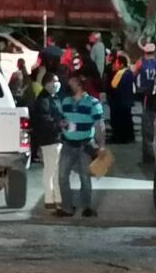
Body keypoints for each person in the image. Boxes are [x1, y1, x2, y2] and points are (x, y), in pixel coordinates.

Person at [57, 74, 104, 217]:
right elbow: (62, 119)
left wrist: (101, 145)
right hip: (68, 143)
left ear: (79, 85)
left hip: (85, 145)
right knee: (62, 176)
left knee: (85, 177)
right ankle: (67, 207)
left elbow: (99, 125)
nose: (68, 86)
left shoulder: (93, 103)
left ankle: (87, 207)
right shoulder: (65, 101)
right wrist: (62, 124)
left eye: (71, 83)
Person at [31, 73, 64, 210]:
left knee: (55, 170)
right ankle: (50, 199)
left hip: (56, 137)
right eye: (54, 81)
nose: (57, 84)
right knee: (51, 170)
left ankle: (56, 198)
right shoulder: (43, 100)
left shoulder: (53, 98)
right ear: (47, 83)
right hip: (49, 138)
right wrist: (58, 124)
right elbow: (44, 119)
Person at [135, 43, 156, 155]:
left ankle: (148, 149)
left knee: (147, 118)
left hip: (145, 92)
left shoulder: (140, 62)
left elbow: (134, 74)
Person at [107, 54, 135, 144]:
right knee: (125, 120)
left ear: (121, 64)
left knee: (121, 121)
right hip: (124, 102)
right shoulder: (126, 73)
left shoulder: (123, 73)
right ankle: (126, 137)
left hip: (121, 102)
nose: (115, 65)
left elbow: (115, 87)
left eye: (116, 63)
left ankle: (120, 137)